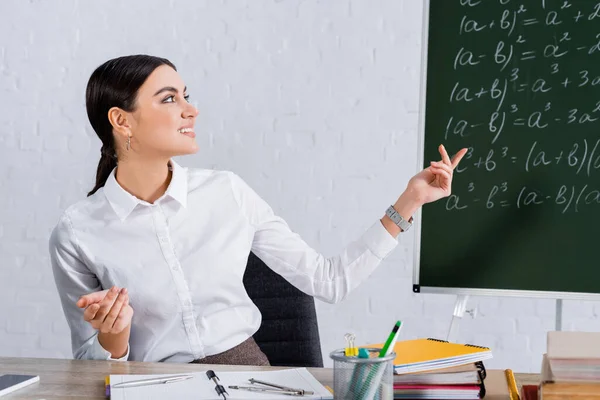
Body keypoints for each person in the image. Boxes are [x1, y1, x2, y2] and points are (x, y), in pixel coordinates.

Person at [49, 54, 467, 365]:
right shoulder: (78, 232)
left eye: (186, 96)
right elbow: (87, 360)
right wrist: (116, 340)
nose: (191, 109)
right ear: (122, 121)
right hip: (149, 385)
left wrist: (409, 202)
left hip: (246, 377)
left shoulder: (227, 192)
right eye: (169, 98)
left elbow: (329, 280)